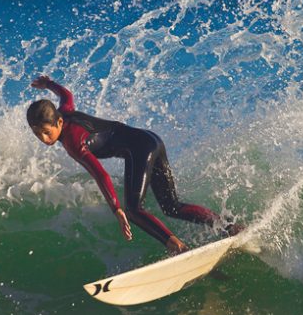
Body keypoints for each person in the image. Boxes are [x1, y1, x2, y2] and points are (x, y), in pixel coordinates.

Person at [27, 75, 243, 254]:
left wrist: (117, 210)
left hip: (140, 149)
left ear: (59, 123)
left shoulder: (73, 142)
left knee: (133, 210)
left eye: (47, 132)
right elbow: (67, 95)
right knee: (172, 206)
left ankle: (176, 246)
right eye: (38, 134)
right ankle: (230, 227)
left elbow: (101, 175)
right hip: (151, 140)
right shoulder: (64, 111)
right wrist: (48, 85)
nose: (44, 138)